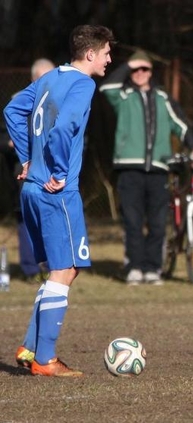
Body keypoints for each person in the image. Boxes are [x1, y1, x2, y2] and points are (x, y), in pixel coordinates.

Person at [4, 24, 115, 377]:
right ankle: (45, 359)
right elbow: (66, 126)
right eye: (107, 52)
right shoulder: (83, 84)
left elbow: (11, 110)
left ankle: (31, 347)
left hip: (31, 189)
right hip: (56, 191)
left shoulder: (50, 76)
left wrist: (27, 159)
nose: (110, 58)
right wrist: (60, 171)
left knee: (66, 269)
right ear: (90, 54)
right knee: (65, 269)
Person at [99, 49, 193, 286]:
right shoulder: (123, 95)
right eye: (135, 69)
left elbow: (182, 125)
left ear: (151, 72)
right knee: (133, 221)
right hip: (129, 168)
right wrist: (128, 65)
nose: (139, 73)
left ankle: (153, 268)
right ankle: (134, 268)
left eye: (144, 68)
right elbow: (105, 87)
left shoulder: (163, 98)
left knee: (159, 221)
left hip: (159, 168)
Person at [2, 59, 55, 281]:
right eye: (41, 77)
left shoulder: (59, 100)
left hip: (53, 169)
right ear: (32, 79)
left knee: (53, 218)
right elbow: (4, 135)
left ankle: (55, 265)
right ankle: (30, 268)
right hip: (25, 170)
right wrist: (11, 143)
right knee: (26, 219)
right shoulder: (17, 101)